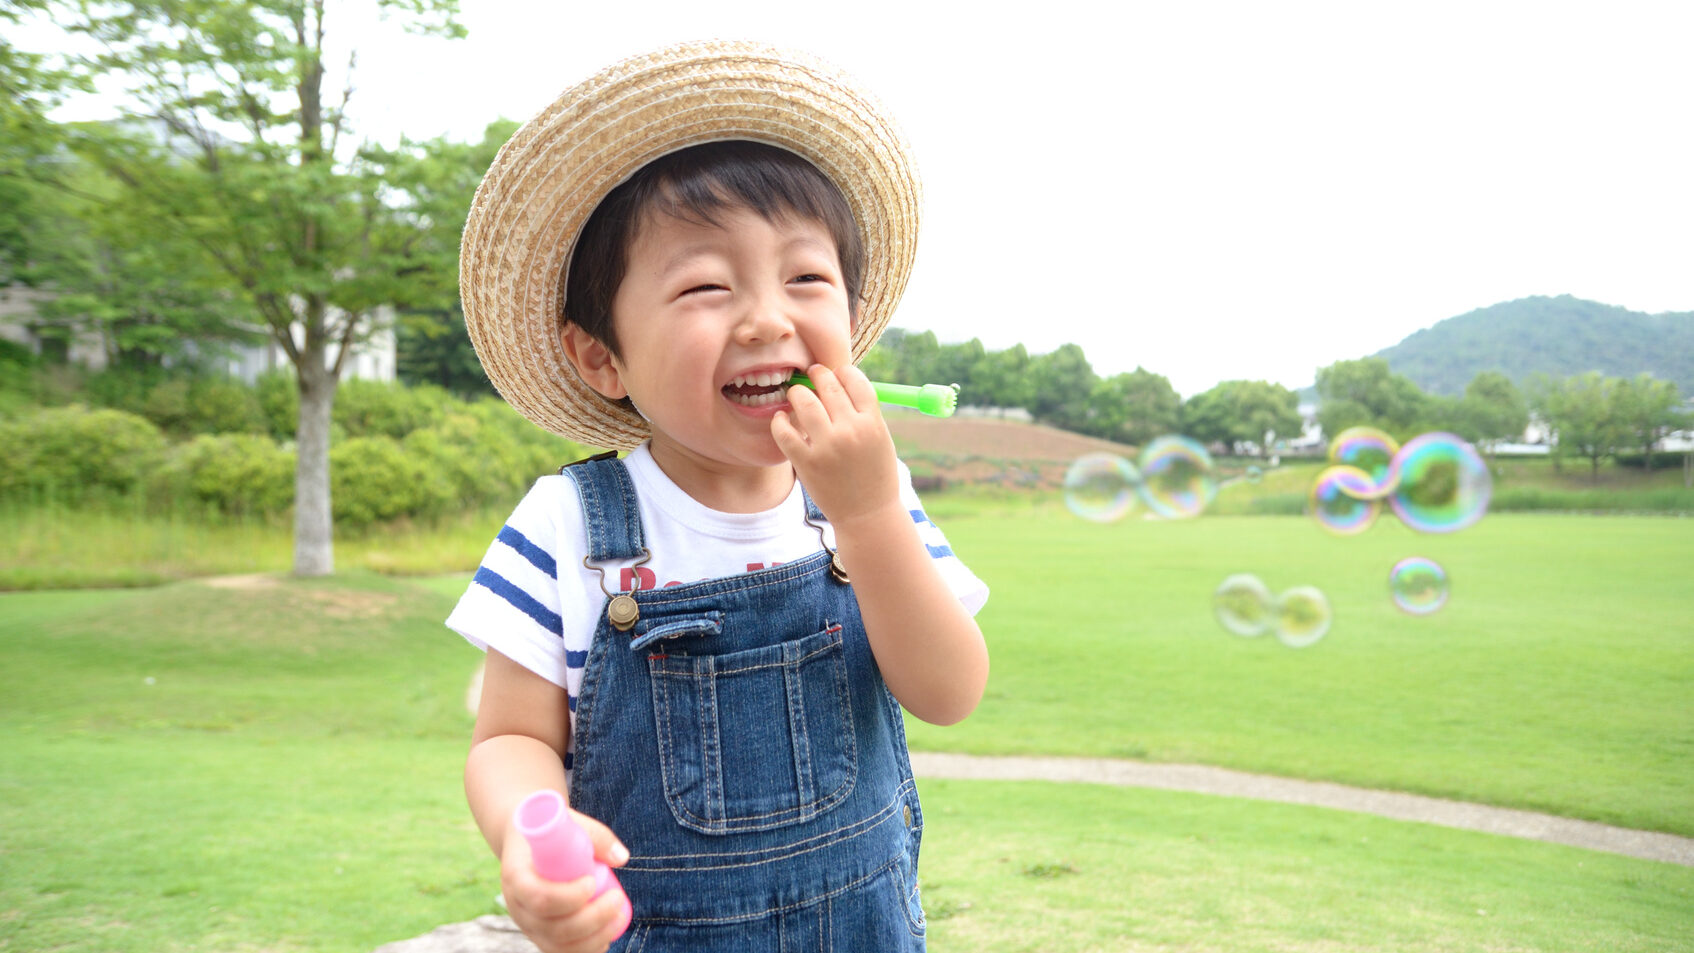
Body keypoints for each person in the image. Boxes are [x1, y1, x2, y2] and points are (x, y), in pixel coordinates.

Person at [448, 40, 990, 953]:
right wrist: (530, 834)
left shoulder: (869, 496)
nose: (769, 318)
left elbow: (949, 691)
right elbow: (508, 738)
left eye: (807, 278)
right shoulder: (568, 523)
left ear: (853, 320)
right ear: (602, 356)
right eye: (706, 285)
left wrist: (866, 514)